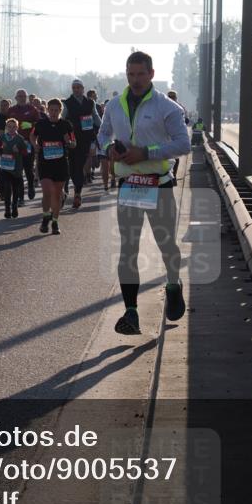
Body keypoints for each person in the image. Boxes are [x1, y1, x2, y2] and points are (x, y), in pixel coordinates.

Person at [97, 51, 189, 335]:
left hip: (158, 184)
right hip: (130, 184)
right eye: (130, 74)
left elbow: (183, 144)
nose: (135, 80)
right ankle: (131, 311)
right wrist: (109, 149)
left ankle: (173, 285)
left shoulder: (168, 107)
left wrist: (146, 152)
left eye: (140, 74)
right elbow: (102, 134)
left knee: (166, 244)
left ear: (151, 74)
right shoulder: (114, 105)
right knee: (128, 249)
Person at [33, 98, 75, 235]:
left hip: (60, 163)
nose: (53, 113)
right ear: (47, 110)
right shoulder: (40, 124)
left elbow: (74, 142)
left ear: (60, 111)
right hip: (45, 163)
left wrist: (70, 143)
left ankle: (55, 222)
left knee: (56, 194)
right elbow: (32, 136)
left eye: (56, 110)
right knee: (47, 191)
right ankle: (46, 216)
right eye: (51, 110)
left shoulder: (66, 125)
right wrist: (35, 145)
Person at [62, 79, 101, 209]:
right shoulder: (67, 103)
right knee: (72, 167)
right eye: (74, 87)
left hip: (86, 139)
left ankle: (77, 193)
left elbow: (96, 118)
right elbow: (62, 119)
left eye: (78, 87)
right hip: (72, 140)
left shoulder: (90, 102)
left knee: (79, 166)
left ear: (83, 89)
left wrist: (103, 130)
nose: (76, 90)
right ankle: (72, 188)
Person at [8, 89, 41, 204]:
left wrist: (30, 125)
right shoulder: (11, 110)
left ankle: (31, 186)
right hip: (14, 143)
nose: (22, 98)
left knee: (28, 168)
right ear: (16, 98)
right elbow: (5, 125)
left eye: (24, 96)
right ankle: (20, 197)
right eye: (20, 96)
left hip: (28, 143)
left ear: (26, 98)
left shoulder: (32, 109)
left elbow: (39, 124)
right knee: (17, 170)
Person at [0, 118, 29, 218]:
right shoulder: (2, 137)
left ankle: (14, 207)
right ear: (6, 127)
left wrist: (18, 150)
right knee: (7, 188)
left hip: (16, 168)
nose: (11, 129)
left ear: (17, 127)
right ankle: (7, 209)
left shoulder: (20, 138)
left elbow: (26, 152)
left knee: (15, 189)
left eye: (14, 127)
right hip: (5, 167)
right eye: (9, 126)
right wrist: (1, 147)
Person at [166, 90, 189, 179]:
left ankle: (171, 175)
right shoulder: (180, 107)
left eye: (172, 97)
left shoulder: (163, 105)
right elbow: (186, 120)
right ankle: (173, 175)